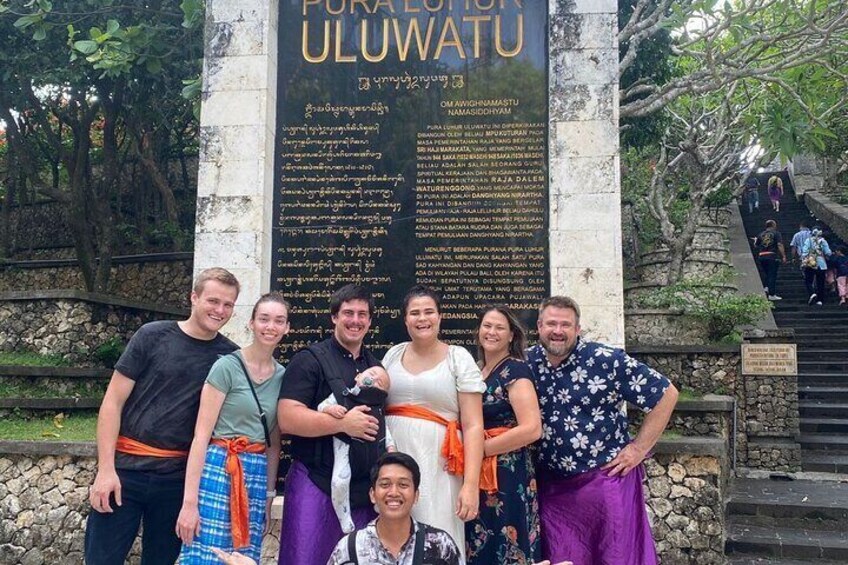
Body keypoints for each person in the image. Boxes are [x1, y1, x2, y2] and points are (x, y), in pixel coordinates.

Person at [85, 267, 240, 565]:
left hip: (176, 481)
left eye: (228, 304)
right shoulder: (152, 336)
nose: (219, 310)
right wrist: (105, 470)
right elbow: (112, 403)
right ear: (193, 298)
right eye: (213, 301)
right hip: (125, 472)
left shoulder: (229, 359)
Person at [528, 296, 679, 565]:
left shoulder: (607, 360)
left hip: (604, 480)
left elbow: (666, 394)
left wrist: (639, 448)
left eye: (566, 324)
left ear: (578, 329)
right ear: (539, 326)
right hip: (551, 488)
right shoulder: (527, 363)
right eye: (552, 323)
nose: (558, 331)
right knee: (560, 558)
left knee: (614, 557)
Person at [176, 293, 290, 563]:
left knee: (244, 556)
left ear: (287, 328)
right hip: (219, 467)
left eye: (278, 320)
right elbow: (201, 437)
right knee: (206, 553)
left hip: (256, 473)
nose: (270, 326)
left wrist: (269, 494)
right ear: (251, 323)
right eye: (263, 319)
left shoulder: (284, 376)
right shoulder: (226, 367)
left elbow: (273, 440)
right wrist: (189, 503)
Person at [277, 284, 384, 565]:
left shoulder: (376, 367)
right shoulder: (308, 360)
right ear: (334, 317)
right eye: (348, 312)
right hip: (315, 483)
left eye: (362, 314)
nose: (355, 320)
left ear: (370, 321)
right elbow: (287, 418)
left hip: (363, 493)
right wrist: (342, 424)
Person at [383, 285, 486, 562]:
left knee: (438, 539)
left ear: (440, 317)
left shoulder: (458, 358)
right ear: (405, 320)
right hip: (395, 461)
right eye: (414, 313)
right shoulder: (392, 356)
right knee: (394, 538)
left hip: (441, 468)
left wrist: (470, 485)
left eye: (429, 312)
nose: (422, 318)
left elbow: (474, 425)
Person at [464, 305, 542, 564]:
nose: (492, 332)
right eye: (487, 326)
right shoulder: (476, 370)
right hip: (478, 470)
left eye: (499, 327)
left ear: (511, 335)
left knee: (507, 539)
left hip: (508, 472)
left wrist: (481, 449)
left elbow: (531, 428)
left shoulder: (516, 371)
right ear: (478, 332)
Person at [327, 451, 462, 565]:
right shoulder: (349, 549)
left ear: (416, 495)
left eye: (403, 485)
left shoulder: (440, 545)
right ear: (372, 494)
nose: (393, 492)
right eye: (385, 484)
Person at [319, 365, 395, 534]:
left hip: (373, 451)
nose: (374, 380)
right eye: (372, 375)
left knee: (380, 478)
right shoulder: (342, 396)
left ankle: (377, 504)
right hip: (345, 447)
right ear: (358, 376)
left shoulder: (378, 407)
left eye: (380, 382)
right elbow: (321, 406)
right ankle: (344, 515)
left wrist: (391, 447)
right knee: (339, 481)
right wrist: (331, 409)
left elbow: (384, 428)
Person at [754, 219, 787, 301]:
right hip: (771, 256)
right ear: (773, 225)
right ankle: (771, 294)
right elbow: (779, 244)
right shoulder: (776, 233)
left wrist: (755, 240)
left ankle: (766, 287)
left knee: (767, 273)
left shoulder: (761, 234)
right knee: (772, 274)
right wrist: (783, 256)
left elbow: (756, 245)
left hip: (762, 256)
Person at [801, 226, 833, 306]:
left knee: (808, 280)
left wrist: (804, 258)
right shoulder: (823, 241)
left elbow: (804, 251)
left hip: (810, 262)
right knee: (820, 283)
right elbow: (828, 252)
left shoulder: (808, 240)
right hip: (821, 264)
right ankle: (820, 300)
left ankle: (812, 293)